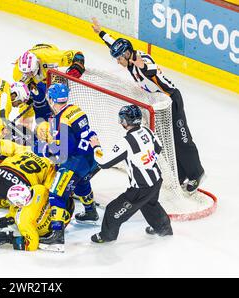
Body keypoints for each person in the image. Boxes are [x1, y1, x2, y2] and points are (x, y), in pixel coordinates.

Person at [91, 17, 204, 193]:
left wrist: (141, 64)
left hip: (172, 100)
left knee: (182, 139)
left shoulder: (141, 63)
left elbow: (149, 68)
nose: (117, 62)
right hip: (161, 104)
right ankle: (181, 175)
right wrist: (101, 33)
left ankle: (197, 173)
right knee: (169, 141)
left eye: (119, 58)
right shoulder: (129, 61)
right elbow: (115, 44)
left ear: (127, 55)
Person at [89, 105, 173, 243]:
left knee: (112, 210)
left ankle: (107, 236)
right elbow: (158, 147)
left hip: (141, 188)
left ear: (125, 121)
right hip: (156, 180)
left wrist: (96, 146)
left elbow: (104, 163)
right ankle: (163, 228)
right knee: (150, 205)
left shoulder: (126, 142)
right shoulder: (147, 131)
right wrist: (146, 158)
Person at [36, 83, 99, 252]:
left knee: (56, 193)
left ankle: (57, 236)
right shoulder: (75, 109)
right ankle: (90, 212)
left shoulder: (60, 120)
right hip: (90, 160)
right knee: (82, 184)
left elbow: (64, 151)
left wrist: (45, 149)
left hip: (74, 162)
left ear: (51, 99)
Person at [13, 44, 87, 127]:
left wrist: (78, 66)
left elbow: (77, 54)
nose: (29, 75)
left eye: (31, 72)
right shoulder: (18, 73)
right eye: (26, 73)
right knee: (28, 106)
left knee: (56, 100)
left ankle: (57, 128)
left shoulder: (50, 57)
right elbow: (24, 96)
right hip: (38, 78)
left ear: (37, 63)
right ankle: (25, 129)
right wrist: (28, 98)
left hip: (50, 70)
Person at [0, 184, 74, 252]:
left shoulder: (23, 219)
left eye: (12, 201)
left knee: (30, 234)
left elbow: (32, 244)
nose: (11, 203)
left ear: (20, 202)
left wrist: (10, 239)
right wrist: (10, 218)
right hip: (68, 207)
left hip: (49, 230)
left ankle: (54, 238)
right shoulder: (38, 189)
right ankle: (9, 218)